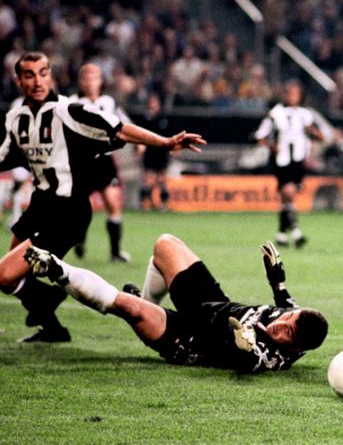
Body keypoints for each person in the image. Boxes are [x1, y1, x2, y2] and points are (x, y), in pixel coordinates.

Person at [0, 51, 205, 343]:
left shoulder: (67, 111)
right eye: (29, 75)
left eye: (43, 73)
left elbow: (119, 129)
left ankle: (50, 299)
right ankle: (52, 325)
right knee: (14, 276)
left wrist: (165, 142)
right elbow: (4, 155)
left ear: (51, 76)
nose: (37, 81)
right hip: (39, 206)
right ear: (18, 80)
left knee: (5, 275)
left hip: (67, 211)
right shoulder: (16, 118)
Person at [22, 235, 328, 372]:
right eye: (287, 320)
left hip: (189, 338)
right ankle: (149, 301)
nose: (280, 324)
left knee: (128, 307)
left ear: (297, 349)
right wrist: (277, 280)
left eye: (287, 332)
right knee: (165, 244)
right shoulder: (292, 316)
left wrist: (246, 348)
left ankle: (57, 269)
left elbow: (252, 363)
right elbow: (286, 303)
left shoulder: (274, 357)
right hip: (210, 304)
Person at [69, 63, 133, 262]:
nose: (90, 81)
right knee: (81, 208)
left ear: (101, 80)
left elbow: (124, 123)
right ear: (80, 81)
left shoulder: (108, 102)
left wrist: (139, 143)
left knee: (113, 204)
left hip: (104, 161)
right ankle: (79, 240)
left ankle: (115, 252)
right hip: (81, 162)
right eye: (86, 77)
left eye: (94, 77)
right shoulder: (71, 103)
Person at [254, 80, 324, 247]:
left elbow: (320, 136)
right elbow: (260, 136)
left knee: (286, 198)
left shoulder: (305, 114)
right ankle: (296, 231)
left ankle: (281, 234)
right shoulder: (275, 113)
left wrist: (312, 132)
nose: (292, 97)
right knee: (288, 192)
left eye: (296, 93)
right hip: (281, 159)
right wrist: (272, 146)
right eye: (289, 93)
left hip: (298, 159)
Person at [137, 93, 171, 211]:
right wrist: (139, 146)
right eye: (151, 102)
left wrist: (173, 148)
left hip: (161, 152)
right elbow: (139, 135)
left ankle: (163, 205)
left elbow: (169, 134)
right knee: (148, 179)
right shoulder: (145, 119)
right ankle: (144, 204)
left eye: (155, 102)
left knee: (162, 180)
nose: (153, 105)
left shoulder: (164, 119)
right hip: (150, 152)